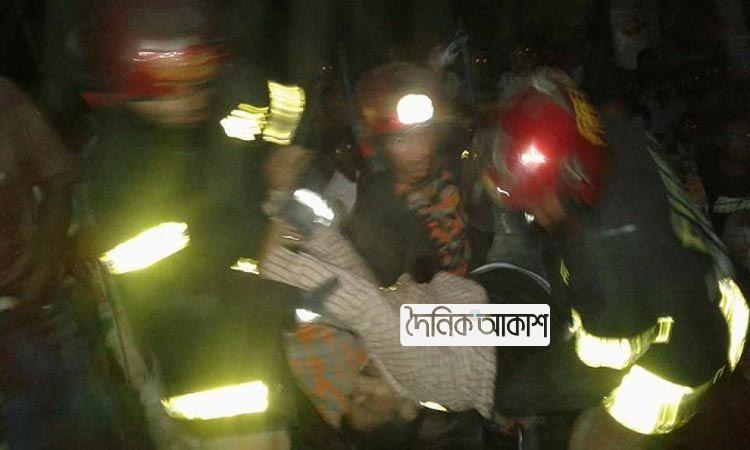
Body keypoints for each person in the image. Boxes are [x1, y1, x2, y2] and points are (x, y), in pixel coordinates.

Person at [477, 67, 748, 448]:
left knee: (589, 440)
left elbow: (595, 369)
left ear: (571, 183)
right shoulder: (612, 135)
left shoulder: (603, 253)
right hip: (710, 288)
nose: (533, 216)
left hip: (683, 363)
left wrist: (506, 396)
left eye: (534, 204)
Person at [0, 77, 121, 449]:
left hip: (41, 308)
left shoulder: (4, 99)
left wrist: (41, 269)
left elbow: (58, 177)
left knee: (86, 426)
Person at [345, 62, 473, 286]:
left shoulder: (454, 175)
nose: (421, 150)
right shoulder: (376, 204)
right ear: (380, 146)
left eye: (425, 134)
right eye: (401, 140)